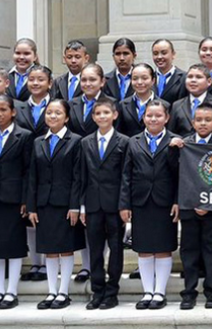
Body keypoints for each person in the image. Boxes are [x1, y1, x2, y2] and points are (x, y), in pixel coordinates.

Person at [119, 100, 180, 310]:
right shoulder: (133, 141)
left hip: (165, 202)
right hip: (140, 201)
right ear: (143, 117)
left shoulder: (175, 141)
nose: (153, 119)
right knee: (143, 249)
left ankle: (159, 293)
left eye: (158, 115)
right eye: (149, 115)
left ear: (167, 118)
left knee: (163, 248)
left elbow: (181, 175)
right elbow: (126, 174)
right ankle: (147, 292)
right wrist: (124, 204)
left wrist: (177, 201)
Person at [27, 99, 85, 309]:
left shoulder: (76, 141)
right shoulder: (38, 142)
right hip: (44, 203)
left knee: (66, 249)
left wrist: (75, 206)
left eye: (58, 113)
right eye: (49, 112)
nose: (52, 116)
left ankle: (63, 292)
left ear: (67, 117)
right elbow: (33, 176)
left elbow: (78, 176)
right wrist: (31, 206)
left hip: (66, 203)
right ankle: (52, 292)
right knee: (49, 249)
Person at [171, 103, 212, 310]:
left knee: (211, 251)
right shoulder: (183, 144)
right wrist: (172, 149)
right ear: (193, 122)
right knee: (189, 251)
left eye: (207, 120)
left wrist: (209, 202)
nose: (203, 123)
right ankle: (189, 292)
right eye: (199, 120)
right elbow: (175, 175)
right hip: (188, 207)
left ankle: (211, 292)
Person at [0, 95, 33, 310]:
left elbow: (28, 171)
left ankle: (11, 291)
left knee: (13, 246)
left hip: (14, 198)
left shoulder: (24, 136)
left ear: (13, 112)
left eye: (3, 110)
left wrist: (26, 200)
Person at [79, 98, 128, 310]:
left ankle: (112, 291)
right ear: (93, 117)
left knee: (116, 249)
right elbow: (81, 176)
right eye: (98, 114)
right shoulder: (85, 142)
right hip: (92, 204)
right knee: (95, 250)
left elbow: (126, 176)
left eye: (106, 113)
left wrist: (125, 204)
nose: (102, 117)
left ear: (114, 115)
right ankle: (97, 291)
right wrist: (81, 206)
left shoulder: (124, 142)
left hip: (115, 204)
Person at [168, 64, 212, 140]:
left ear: (209, 81)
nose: (193, 80)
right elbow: (171, 133)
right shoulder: (177, 105)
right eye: (190, 77)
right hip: (185, 149)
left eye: (198, 77)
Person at [117, 63, 169, 138]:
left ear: (153, 80)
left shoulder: (165, 105)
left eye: (144, 78)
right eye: (135, 78)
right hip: (129, 148)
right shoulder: (122, 105)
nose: (140, 82)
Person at [68, 63, 112, 140]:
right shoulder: (71, 104)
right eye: (84, 80)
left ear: (102, 82)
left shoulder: (112, 104)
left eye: (92, 80)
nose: (87, 84)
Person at [151, 39, 187, 104]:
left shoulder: (184, 77)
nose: (159, 57)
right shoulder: (149, 78)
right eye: (155, 54)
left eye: (164, 53)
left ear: (173, 54)